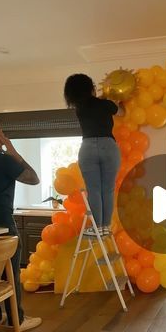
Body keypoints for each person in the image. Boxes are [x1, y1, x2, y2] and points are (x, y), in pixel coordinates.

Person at [0, 117, 42, 330]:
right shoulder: (3, 159)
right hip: (2, 224)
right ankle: (16, 321)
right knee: (10, 272)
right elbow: (33, 178)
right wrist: (12, 150)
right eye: (0, 130)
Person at [64, 74, 121, 234]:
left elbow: (92, 102)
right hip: (108, 146)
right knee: (107, 189)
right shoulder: (106, 105)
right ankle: (105, 226)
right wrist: (111, 96)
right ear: (91, 88)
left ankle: (97, 227)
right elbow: (119, 110)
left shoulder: (79, 109)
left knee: (94, 189)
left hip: (87, 147)